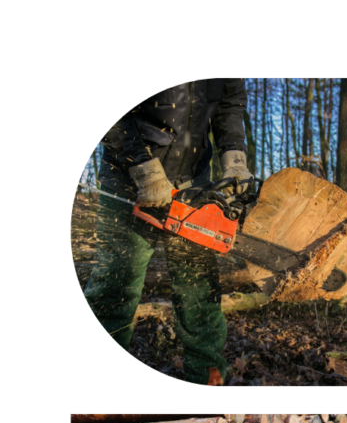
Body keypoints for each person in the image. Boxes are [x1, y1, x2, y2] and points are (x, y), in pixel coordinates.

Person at [83, 79, 253, 386]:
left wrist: (234, 157)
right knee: (114, 287)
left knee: (199, 295)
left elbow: (229, 105)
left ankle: (208, 381)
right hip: (128, 178)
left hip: (194, 183)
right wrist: (142, 166)